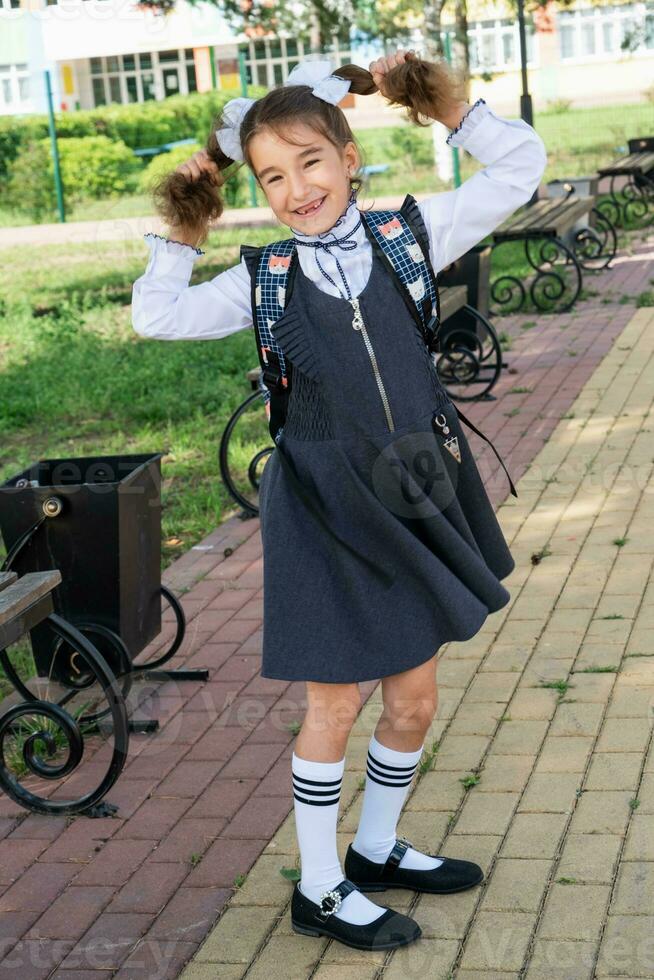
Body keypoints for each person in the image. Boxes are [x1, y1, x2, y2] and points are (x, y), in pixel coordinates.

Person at [132, 50, 547, 952]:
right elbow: (156, 316)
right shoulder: (266, 278)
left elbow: (519, 168)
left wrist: (435, 101)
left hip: (411, 491)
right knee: (337, 702)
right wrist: (191, 206)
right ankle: (318, 888)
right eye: (271, 176)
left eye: (310, 161)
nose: (295, 188)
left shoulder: (411, 233)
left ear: (349, 157)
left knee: (416, 697)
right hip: (324, 503)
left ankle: (375, 847)